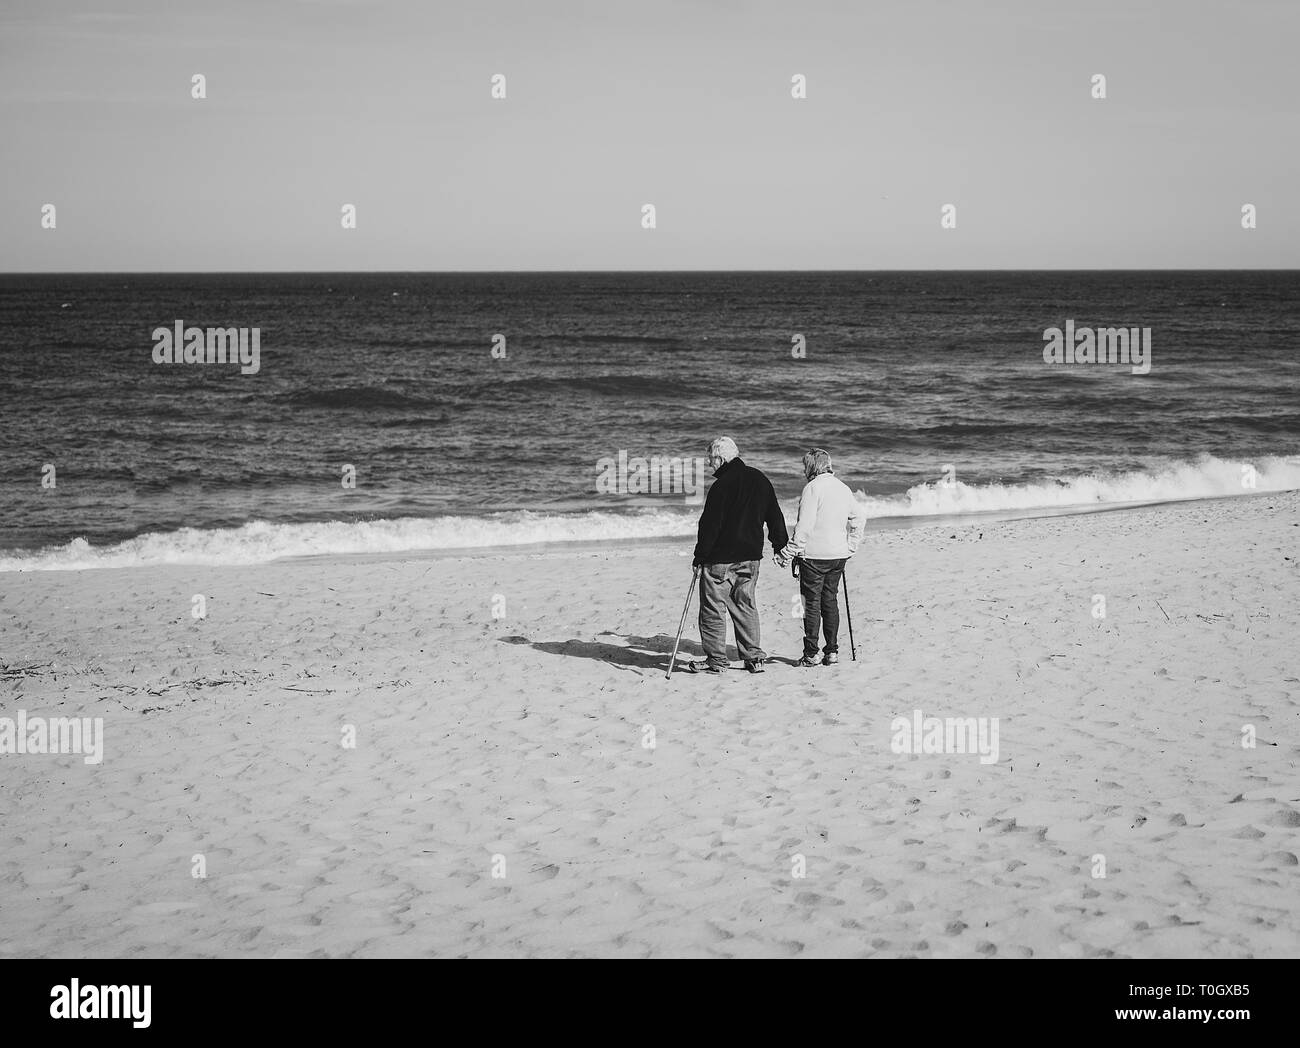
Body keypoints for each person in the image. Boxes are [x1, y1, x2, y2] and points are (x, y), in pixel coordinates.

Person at [685, 436, 789, 674]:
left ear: (720, 458)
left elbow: (710, 526)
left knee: (713, 608)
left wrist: (699, 557)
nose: (710, 465)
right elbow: (775, 515)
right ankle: (754, 657)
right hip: (751, 556)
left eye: (711, 460)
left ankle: (717, 661)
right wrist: (779, 544)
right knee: (745, 604)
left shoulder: (721, 486)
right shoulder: (760, 479)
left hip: (720, 559)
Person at [776, 448, 866, 667]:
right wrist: (851, 546)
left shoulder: (812, 488)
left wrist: (786, 554)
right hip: (838, 555)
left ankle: (811, 653)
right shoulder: (843, 488)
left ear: (812, 466)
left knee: (811, 604)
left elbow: (804, 527)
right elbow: (859, 517)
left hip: (814, 556)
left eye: (805, 466)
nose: (804, 470)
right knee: (830, 600)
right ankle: (832, 651)